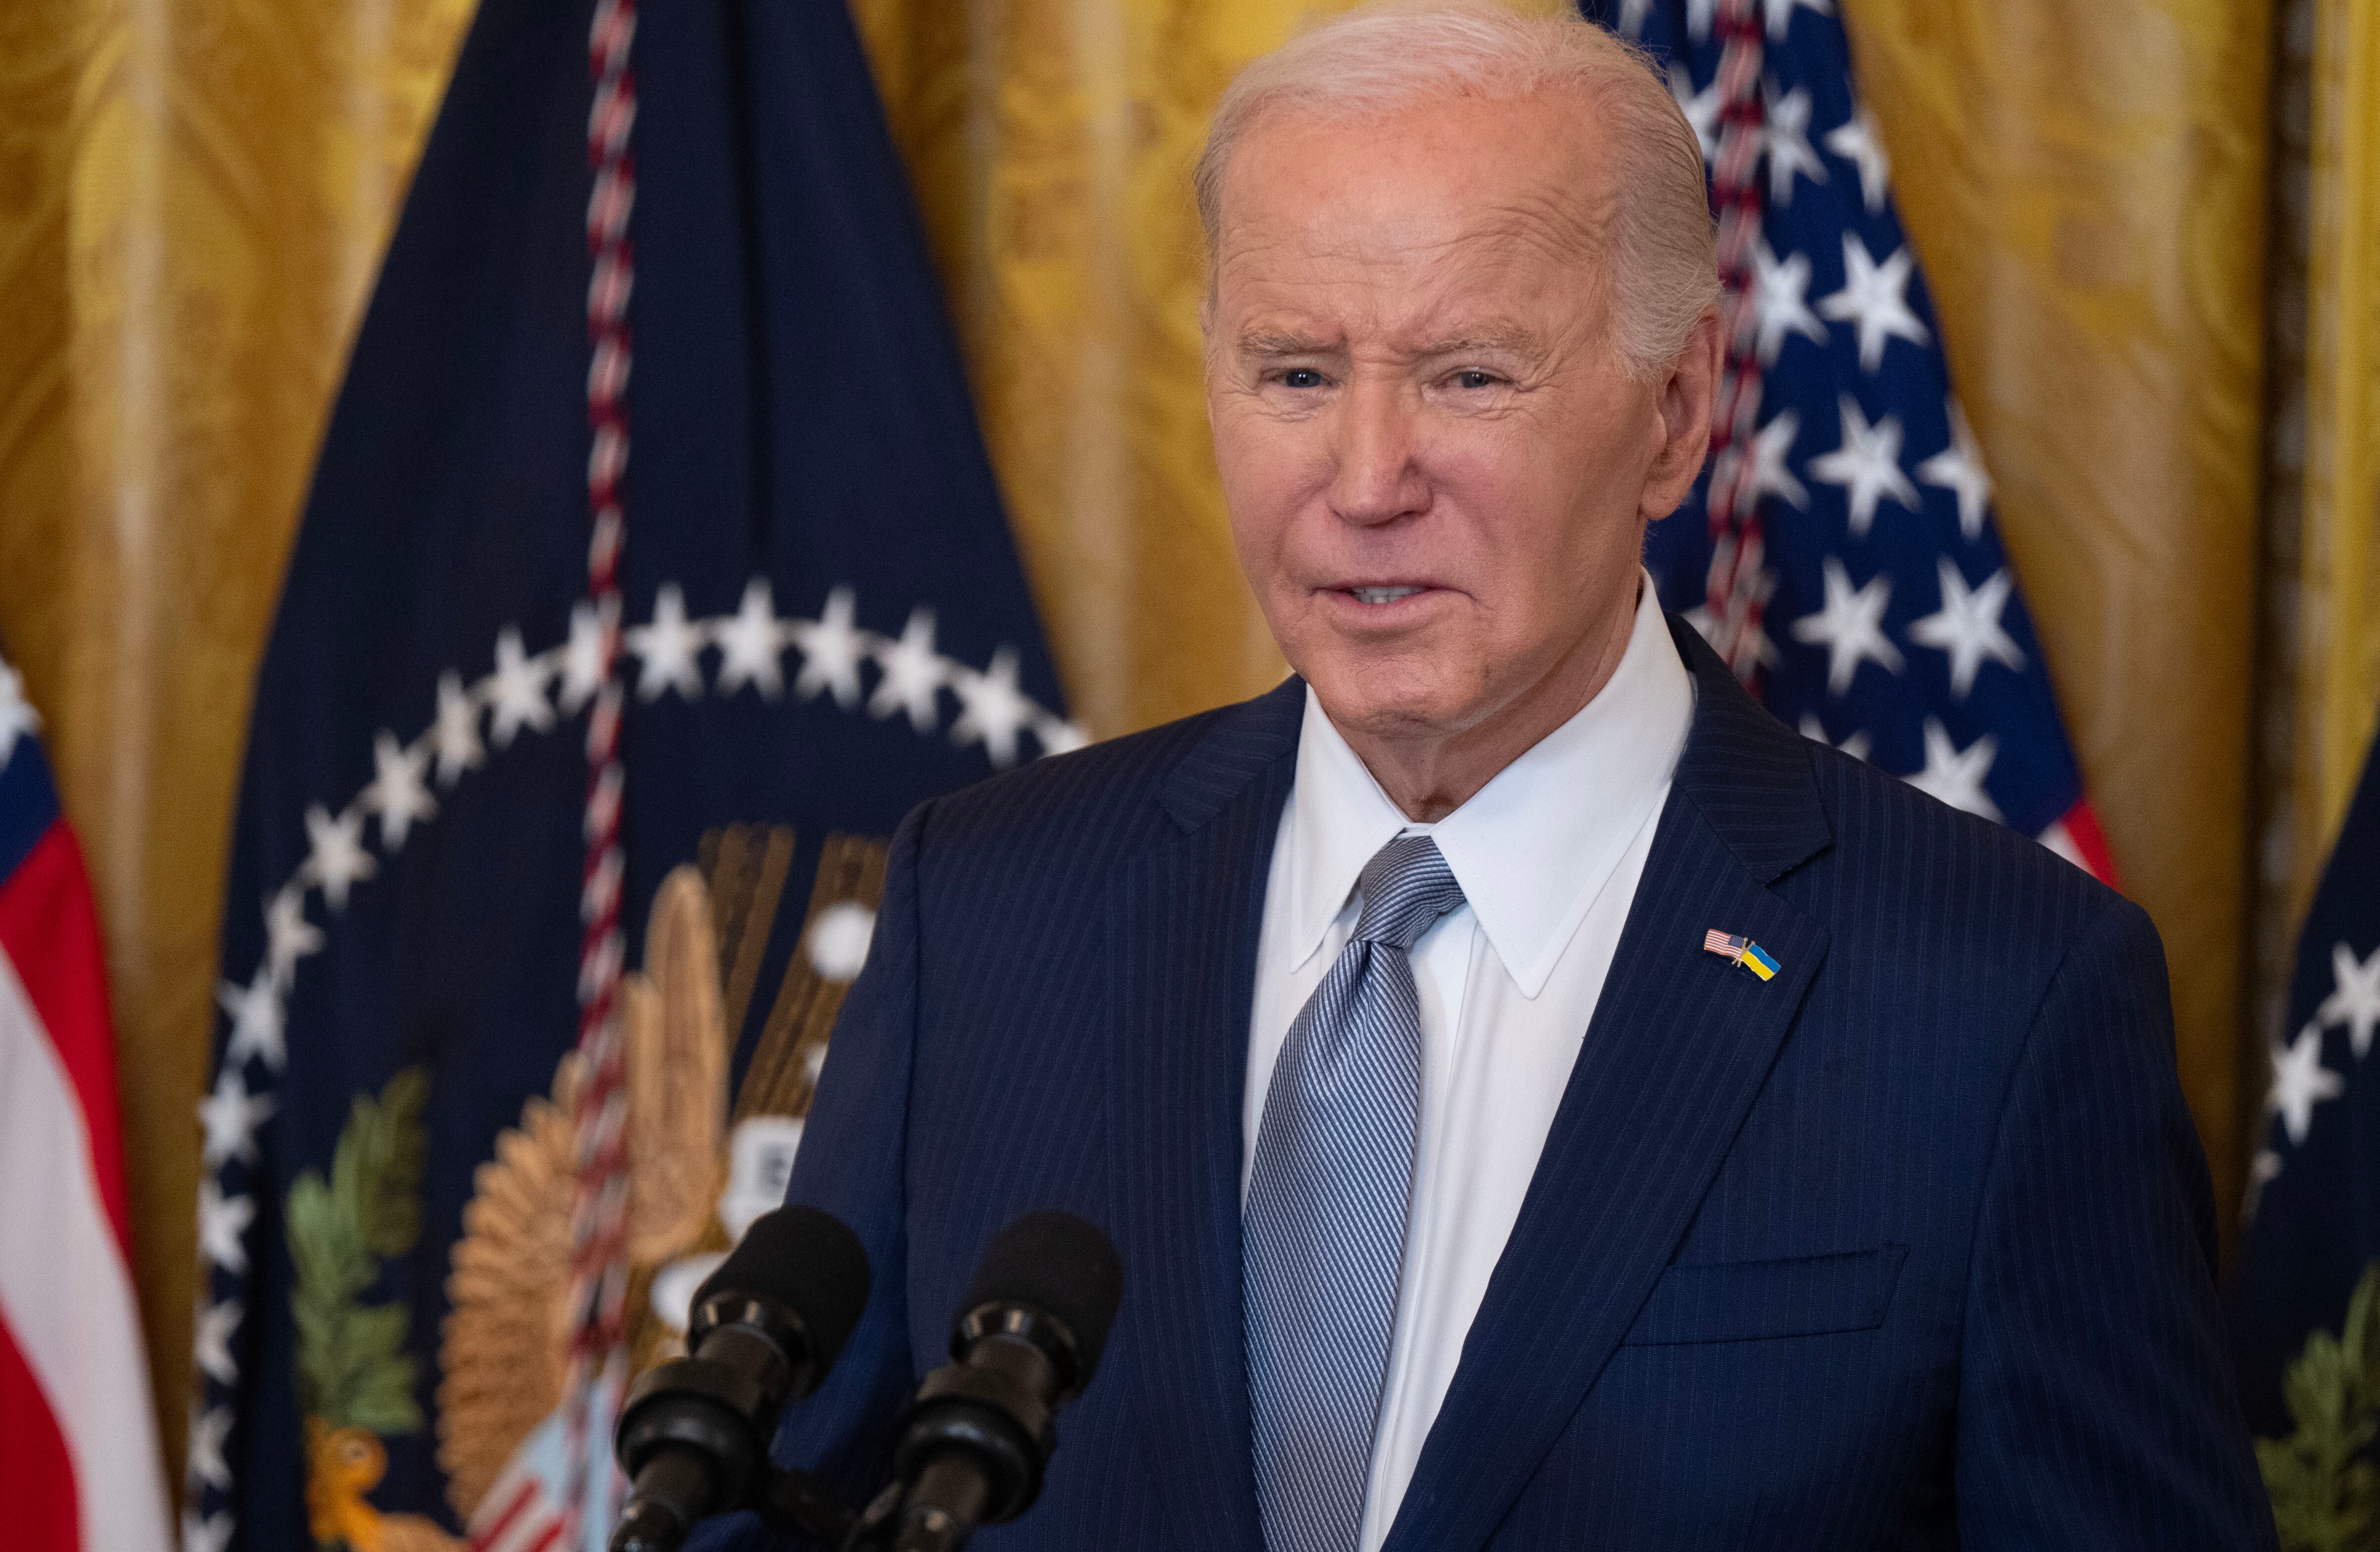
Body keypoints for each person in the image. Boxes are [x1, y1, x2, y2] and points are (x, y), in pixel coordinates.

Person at [703, 4, 2275, 1547]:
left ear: (1673, 415)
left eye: (1467, 376)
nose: (1367, 482)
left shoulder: (1997, 999)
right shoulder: (986, 906)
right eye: (1297, 374)